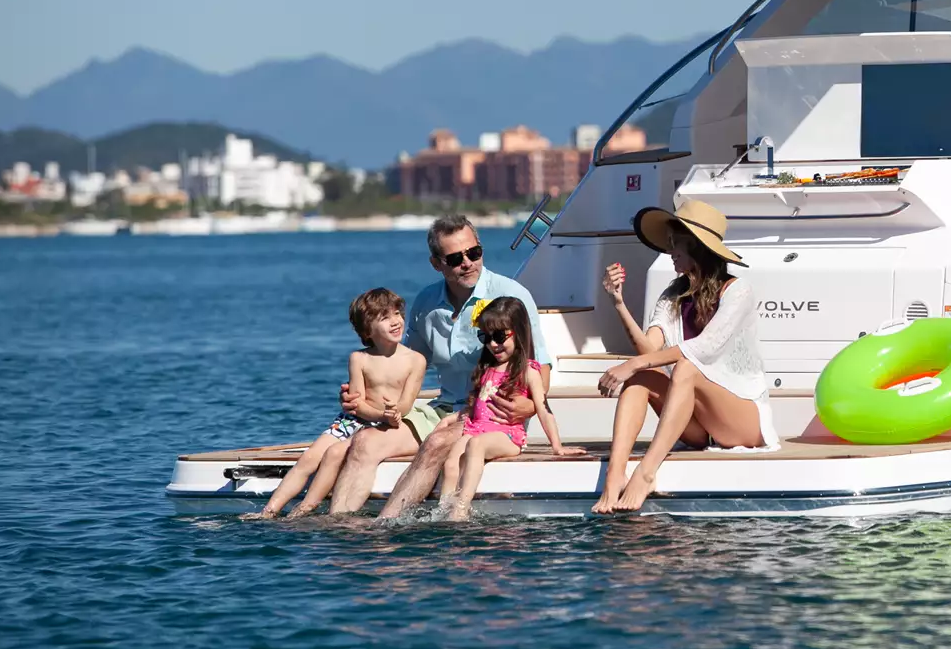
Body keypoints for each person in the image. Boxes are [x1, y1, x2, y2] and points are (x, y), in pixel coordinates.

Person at [327, 213, 555, 516]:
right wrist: (360, 394)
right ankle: (341, 527)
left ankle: (386, 526)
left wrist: (528, 407)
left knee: (436, 442)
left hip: (489, 413)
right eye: (455, 258)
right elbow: (402, 365)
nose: (468, 262)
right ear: (436, 263)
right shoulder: (426, 302)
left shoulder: (511, 295)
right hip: (443, 408)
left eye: (474, 252)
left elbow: (540, 366)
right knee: (365, 442)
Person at [593, 200, 778, 514]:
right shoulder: (673, 295)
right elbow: (650, 352)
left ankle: (646, 472)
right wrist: (618, 303)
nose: (670, 251)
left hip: (742, 420)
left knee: (685, 368)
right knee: (642, 377)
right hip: (698, 424)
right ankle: (615, 474)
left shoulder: (738, 290)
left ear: (698, 247)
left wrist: (631, 364)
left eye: (676, 243)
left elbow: (705, 348)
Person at [251, 288, 426, 518]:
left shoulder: (415, 360)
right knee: (308, 458)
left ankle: (304, 509)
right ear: (367, 330)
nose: (395, 321)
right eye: (385, 317)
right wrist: (380, 414)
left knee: (334, 454)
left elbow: (406, 404)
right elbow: (356, 403)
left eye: (397, 314)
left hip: (382, 427)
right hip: (355, 420)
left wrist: (392, 415)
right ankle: (269, 511)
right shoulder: (359, 358)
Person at [444, 297, 581, 521]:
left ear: (519, 332)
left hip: (507, 435)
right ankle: (443, 510)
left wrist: (557, 446)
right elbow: (478, 404)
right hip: (475, 429)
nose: (493, 344)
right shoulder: (487, 367)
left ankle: (460, 509)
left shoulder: (528, 371)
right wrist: (453, 418)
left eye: (500, 337)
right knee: (451, 463)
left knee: (476, 445)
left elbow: (543, 409)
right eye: (486, 337)